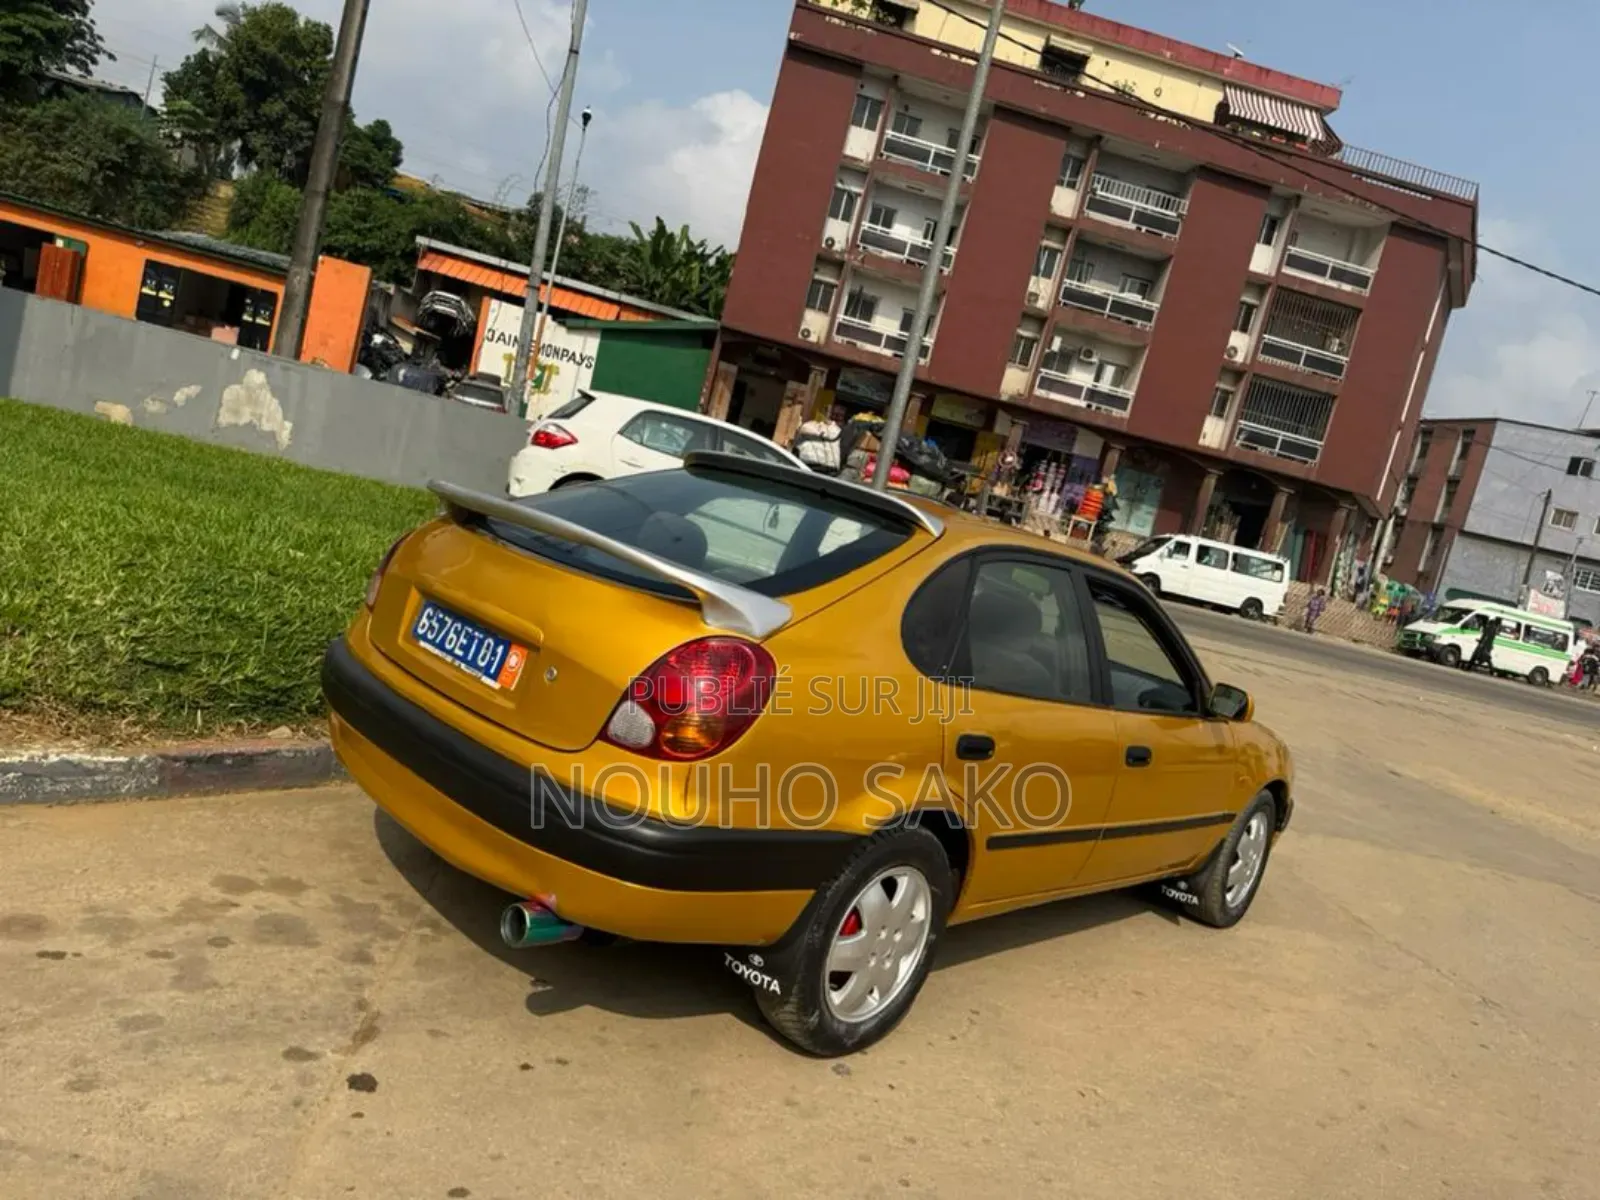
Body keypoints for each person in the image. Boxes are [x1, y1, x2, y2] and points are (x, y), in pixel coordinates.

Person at [790, 405, 844, 475]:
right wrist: (820, 433)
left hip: (827, 468)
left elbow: (833, 435)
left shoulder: (836, 429)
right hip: (811, 465)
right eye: (834, 414)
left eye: (839, 416)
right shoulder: (811, 425)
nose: (835, 417)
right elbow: (804, 429)